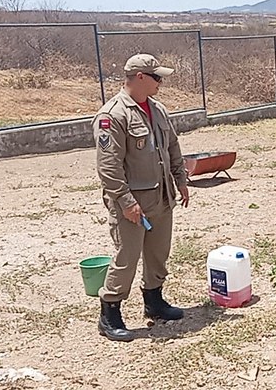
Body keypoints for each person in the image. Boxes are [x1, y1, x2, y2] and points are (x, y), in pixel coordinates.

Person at [92, 53, 190, 342]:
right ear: (140, 78)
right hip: (132, 203)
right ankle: (110, 314)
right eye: (157, 77)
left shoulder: (157, 109)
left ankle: (154, 301)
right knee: (127, 257)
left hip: (160, 196)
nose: (161, 82)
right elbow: (108, 167)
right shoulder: (113, 115)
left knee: (158, 253)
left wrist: (180, 179)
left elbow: (172, 145)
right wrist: (125, 201)